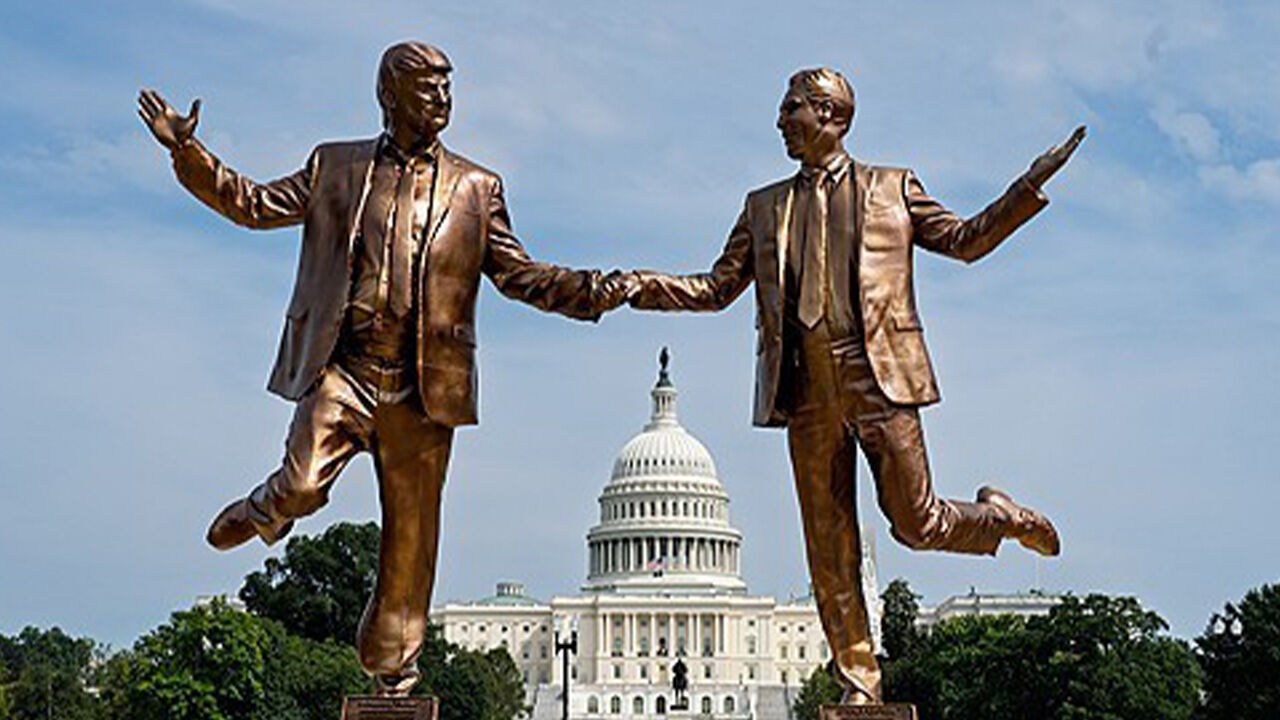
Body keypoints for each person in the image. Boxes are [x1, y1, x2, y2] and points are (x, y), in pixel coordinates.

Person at [137, 41, 631, 695]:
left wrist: (591, 289)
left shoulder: (478, 188)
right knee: (304, 484)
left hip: (423, 390)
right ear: (390, 95)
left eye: (449, 89)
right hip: (345, 370)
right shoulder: (335, 167)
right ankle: (266, 509)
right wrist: (187, 152)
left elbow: (521, 275)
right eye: (429, 89)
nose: (444, 102)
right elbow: (252, 205)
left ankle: (393, 672)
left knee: (410, 546)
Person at [626, 67, 1084, 703]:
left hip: (879, 378)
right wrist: (630, 285)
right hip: (805, 387)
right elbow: (714, 289)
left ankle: (1000, 518)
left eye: (792, 110)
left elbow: (964, 240)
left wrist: (1027, 187)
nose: (781, 121)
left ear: (831, 117)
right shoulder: (764, 207)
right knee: (829, 548)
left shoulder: (892, 188)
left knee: (915, 523)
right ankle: (860, 684)